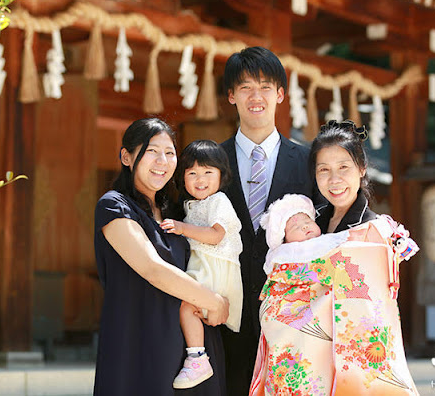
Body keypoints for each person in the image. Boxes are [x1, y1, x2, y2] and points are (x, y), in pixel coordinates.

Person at [249, 121, 420, 395]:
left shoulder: (373, 231)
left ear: (362, 169)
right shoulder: (307, 225)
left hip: (348, 370)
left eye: (344, 168)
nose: (334, 180)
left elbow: (372, 316)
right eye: (324, 170)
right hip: (302, 365)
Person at [93, 118, 229, 396]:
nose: (162, 161)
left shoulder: (176, 212)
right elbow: (152, 268)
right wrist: (213, 302)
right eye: (152, 151)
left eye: (169, 153)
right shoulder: (115, 206)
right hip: (139, 343)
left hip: (192, 352)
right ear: (126, 156)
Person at [219, 46, 318, 395]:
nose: (255, 96)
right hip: (225, 315)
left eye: (265, 86)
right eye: (245, 87)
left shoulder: (309, 163)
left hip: (292, 314)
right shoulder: (210, 164)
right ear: (232, 96)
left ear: (280, 94)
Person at [159, 140, 244, 389]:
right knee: (188, 307)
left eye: (208, 172)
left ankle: (197, 358)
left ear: (222, 176)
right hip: (206, 265)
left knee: (187, 306)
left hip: (216, 267)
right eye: (192, 173)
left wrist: (183, 228)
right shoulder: (191, 205)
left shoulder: (219, 201)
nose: (200, 179)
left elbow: (216, 235)